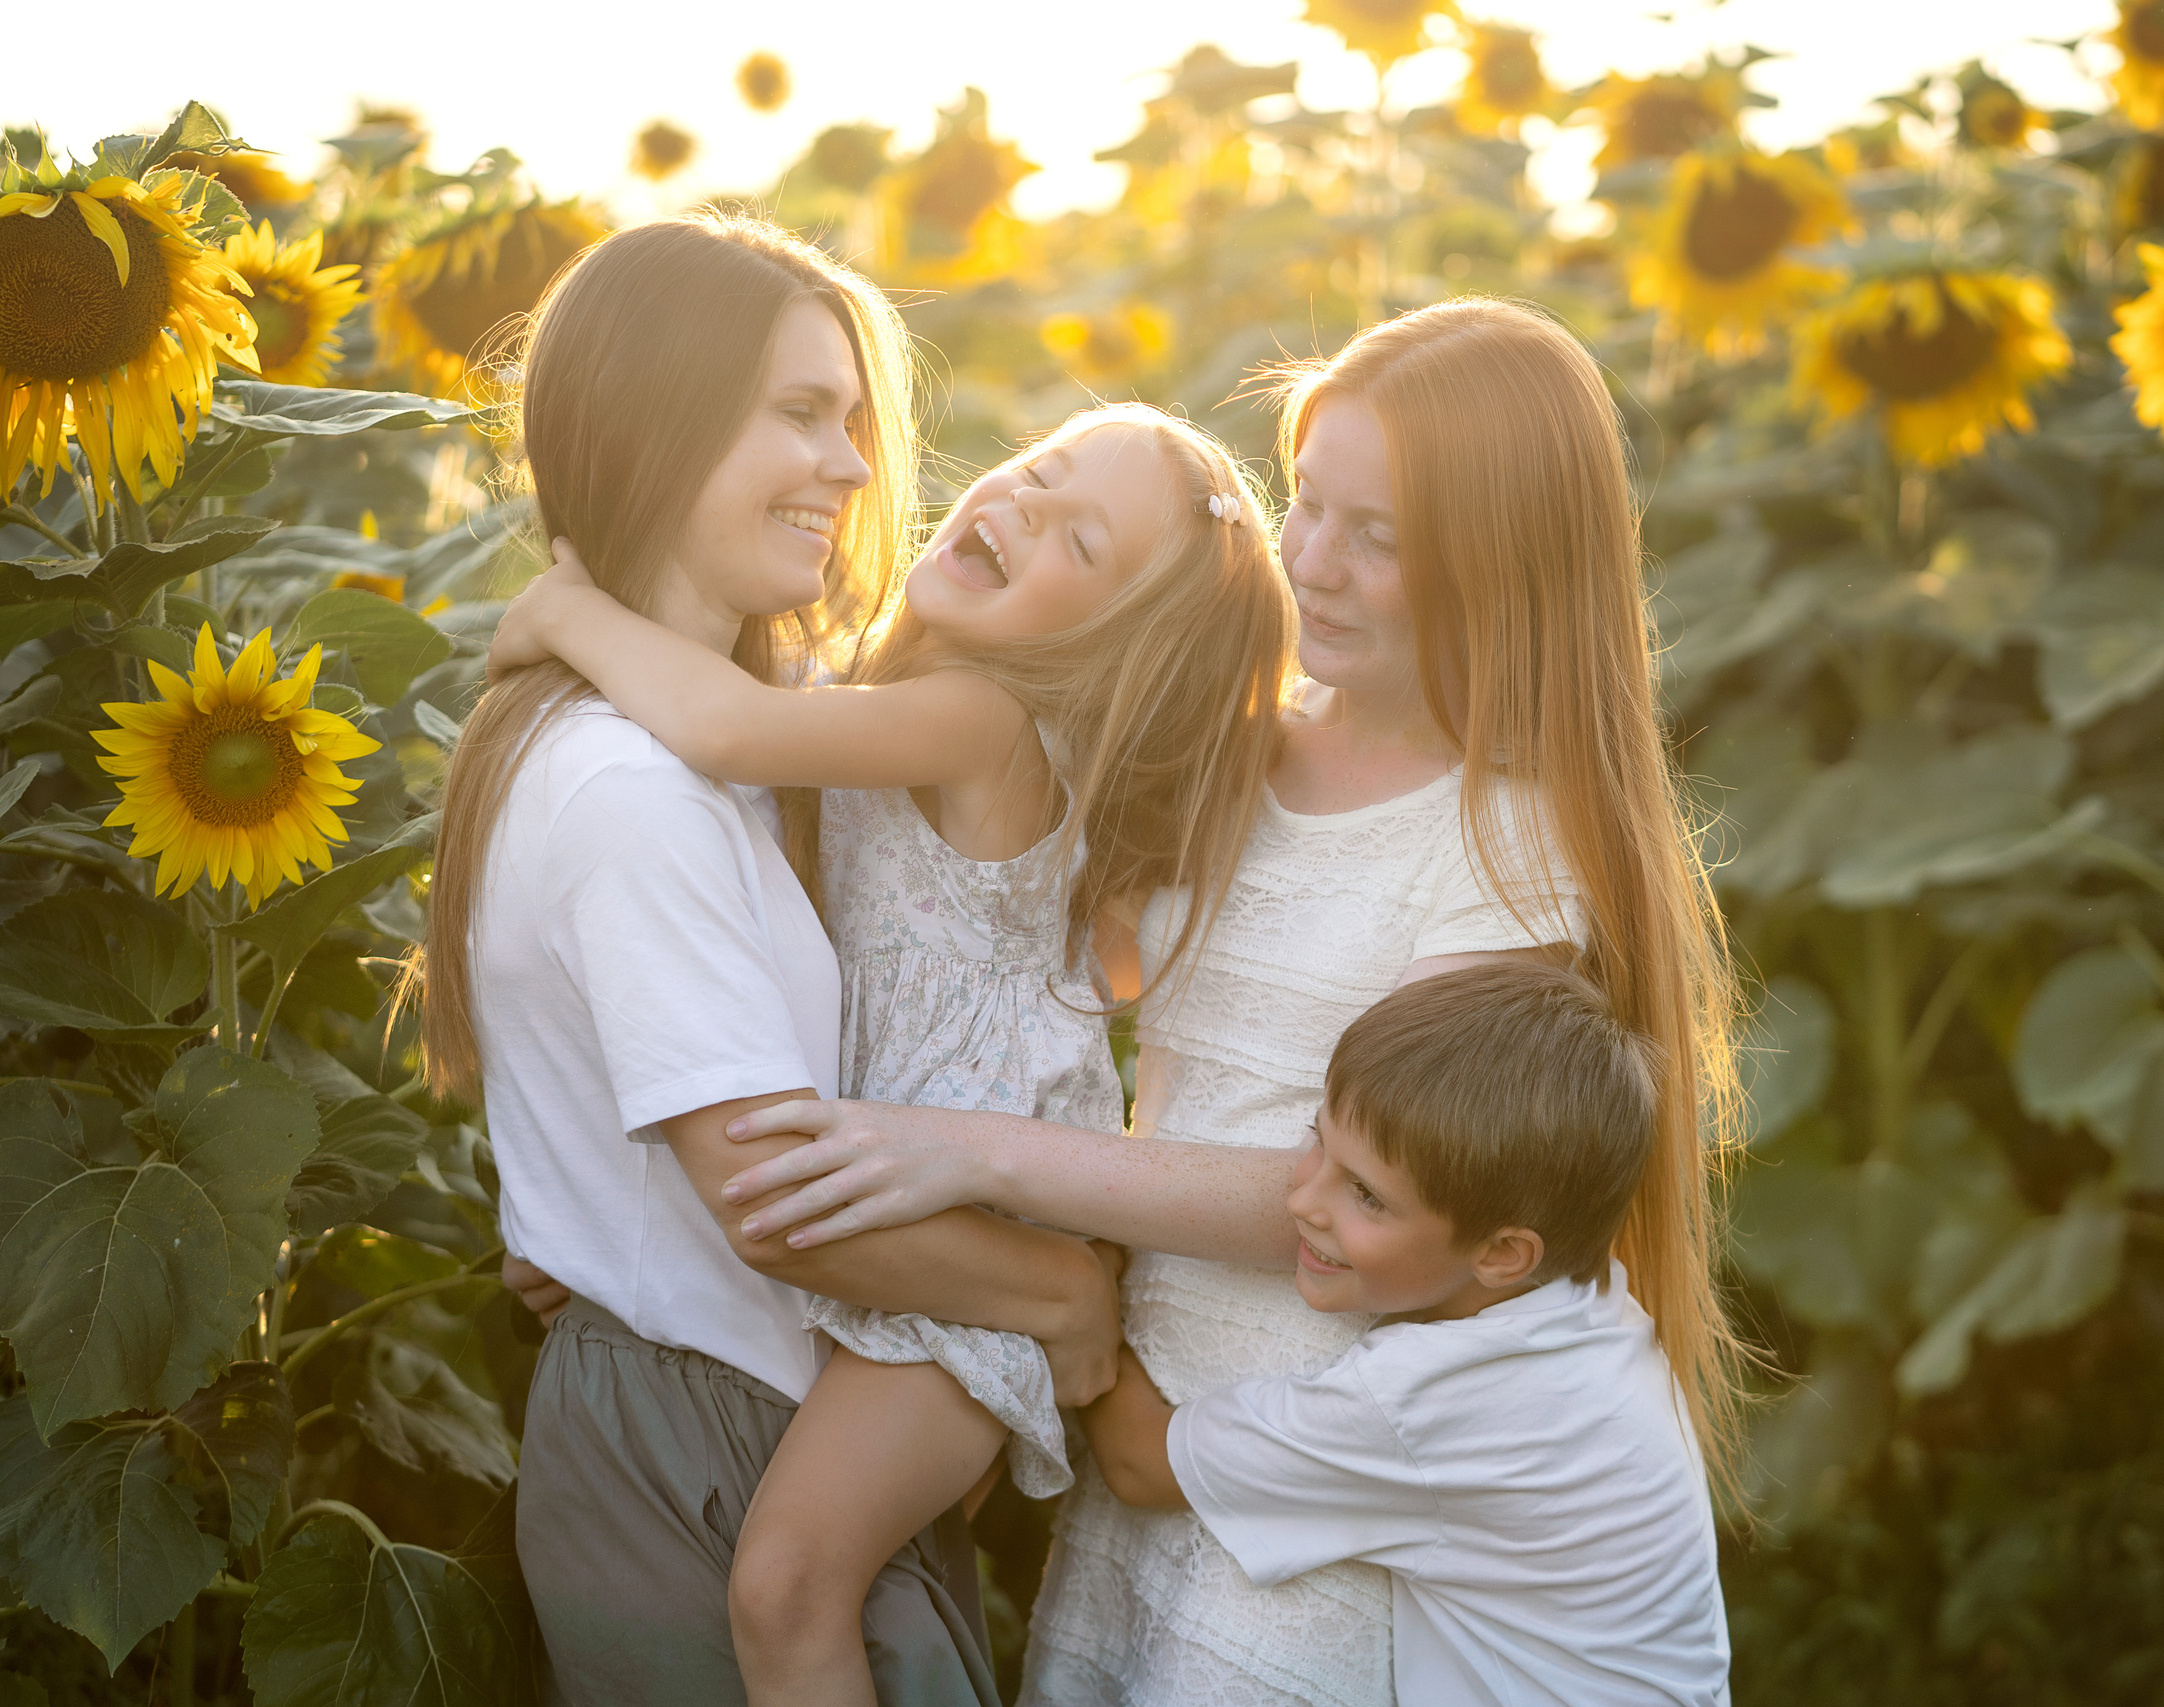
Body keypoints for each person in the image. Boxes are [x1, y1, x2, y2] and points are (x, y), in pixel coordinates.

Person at [559, 295, 1748, 1707]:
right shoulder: (1235, 755)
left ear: (1505, 568)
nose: (1314, 559)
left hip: (1318, 1474)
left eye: (1377, 537)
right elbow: (1004, 943)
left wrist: (979, 1156)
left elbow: (1378, 1199)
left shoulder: (1516, 852)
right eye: (1308, 504)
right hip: (1148, 1429)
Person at [485, 399, 1294, 1707]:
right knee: (868, 1585)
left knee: (786, 1582)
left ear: (1102, 649)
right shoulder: (884, 687)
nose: (1022, 505)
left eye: (1079, 542)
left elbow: (728, 728)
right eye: (1041, 470)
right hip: (888, 1237)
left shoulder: (981, 718)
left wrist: (564, 614)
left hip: (955, 1263)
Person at [419, 214, 1125, 1707]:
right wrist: (1062, 1290)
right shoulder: (631, 788)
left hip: (746, 1414)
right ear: (655, 418)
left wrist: (588, 1224)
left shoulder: (723, 745)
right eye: (802, 414)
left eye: (855, 420)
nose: (857, 467)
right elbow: (775, 1204)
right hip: (712, 1449)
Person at [1080, 961, 1733, 1707]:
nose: (1302, 1196)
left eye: (1365, 1194)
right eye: (1316, 1141)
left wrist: (1083, 1284)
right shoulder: (1587, 1311)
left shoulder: (1434, 1398)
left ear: (1502, 1253)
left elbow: (1137, 1460)